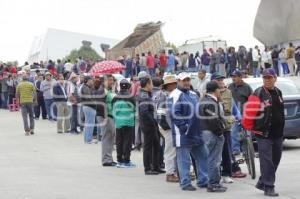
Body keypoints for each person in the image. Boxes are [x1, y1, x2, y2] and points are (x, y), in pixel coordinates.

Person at [243, 68, 284, 197]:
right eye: (265, 78)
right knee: (266, 162)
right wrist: (249, 129)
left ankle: (262, 182)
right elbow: (249, 114)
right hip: (263, 134)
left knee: (275, 160)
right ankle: (269, 187)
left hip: (278, 134)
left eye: (269, 77)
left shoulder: (278, 92)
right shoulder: (258, 93)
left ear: (275, 78)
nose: (267, 80)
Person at [168, 72, 208, 191]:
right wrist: (184, 127)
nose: (186, 82)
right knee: (184, 160)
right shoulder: (174, 95)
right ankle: (185, 183)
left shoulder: (192, 94)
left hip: (196, 132)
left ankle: (203, 180)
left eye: (188, 80)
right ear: (178, 81)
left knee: (203, 156)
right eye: (183, 80)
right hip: (183, 134)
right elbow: (174, 114)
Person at [200, 81, 227, 193]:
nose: (220, 91)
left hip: (206, 133)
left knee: (212, 159)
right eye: (219, 89)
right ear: (216, 90)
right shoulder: (210, 102)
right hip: (212, 134)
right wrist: (220, 133)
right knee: (214, 160)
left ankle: (214, 182)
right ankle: (213, 184)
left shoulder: (203, 100)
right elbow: (213, 121)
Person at [228, 70, 252, 178]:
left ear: (240, 77)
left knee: (248, 134)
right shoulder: (230, 87)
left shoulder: (247, 87)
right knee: (234, 130)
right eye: (232, 77)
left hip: (245, 114)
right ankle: (236, 150)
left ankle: (248, 149)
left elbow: (252, 100)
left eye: (235, 76)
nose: (233, 78)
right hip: (234, 116)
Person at [138, 76, 163, 175]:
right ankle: (147, 168)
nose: (152, 86)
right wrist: (153, 122)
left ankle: (156, 166)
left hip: (152, 124)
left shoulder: (147, 94)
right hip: (148, 124)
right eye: (151, 83)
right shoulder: (144, 95)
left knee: (156, 145)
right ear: (147, 84)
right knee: (148, 146)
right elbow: (144, 111)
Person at [156, 75, 179, 182]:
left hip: (169, 127)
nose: (175, 85)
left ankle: (173, 171)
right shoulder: (165, 97)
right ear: (168, 85)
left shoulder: (169, 95)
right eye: (173, 84)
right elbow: (161, 115)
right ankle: (169, 173)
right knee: (170, 150)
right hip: (167, 127)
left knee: (172, 150)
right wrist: (168, 128)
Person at [112, 79, 136, 168]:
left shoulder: (115, 98)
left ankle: (119, 160)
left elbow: (113, 109)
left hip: (118, 122)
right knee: (127, 142)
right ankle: (126, 160)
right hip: (129, 122)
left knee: (119, 141)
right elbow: (134, 109)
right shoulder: (130, 97)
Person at [101, 74, 117, 166]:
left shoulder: (108, 90)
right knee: (107, 137)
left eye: (112, 80)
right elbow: (101, 104)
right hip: (106, 116)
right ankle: (106, 159)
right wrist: (105, 116)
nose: (112, 82)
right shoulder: (103, 91)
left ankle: (109, 158)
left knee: (110, 137)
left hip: (110, 115)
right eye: (110, 80)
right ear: (105, 81)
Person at [80, 76, 97, 144]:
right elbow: (88, 98)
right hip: (89, 107)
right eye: (91, 80)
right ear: (87, 80)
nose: (92, 81)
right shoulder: (85, 88)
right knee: (90, 124)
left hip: (87, 107)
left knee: (88, 124)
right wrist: (95, 103)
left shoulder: (87, 87)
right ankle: (89, 140)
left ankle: (87, 139)